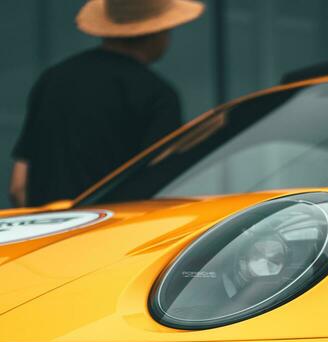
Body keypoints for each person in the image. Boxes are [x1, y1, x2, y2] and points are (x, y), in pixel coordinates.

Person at [9, 0, 205, 208]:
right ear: (157, 32)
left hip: (50, 232)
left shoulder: (53, 79)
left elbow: (19, 185)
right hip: (116, 232)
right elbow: (163, 185)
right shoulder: (157, 94)